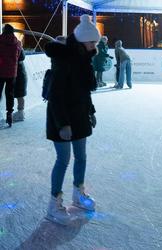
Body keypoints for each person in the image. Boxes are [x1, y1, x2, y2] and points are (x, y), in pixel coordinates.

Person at [44, 14, 100, 225]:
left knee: (81, 157)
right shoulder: (64, 60)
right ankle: (54, 205)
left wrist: (91, 112)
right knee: (63, 160)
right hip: (62, 117)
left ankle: (78, 193)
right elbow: (56, 96)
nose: (94, 45)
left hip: (79, 115)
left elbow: (85, 91)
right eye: (92, 41)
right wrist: (63, 124)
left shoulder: (84, 60)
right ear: (82, 40)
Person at [0, 24, 22, 127]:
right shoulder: (17, 43)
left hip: (0, 71)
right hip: (12, 72)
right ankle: (9, 114)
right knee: (10, 94)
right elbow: (21, 57)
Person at [13, 48, 27, 122]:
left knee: (18, 94)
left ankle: (20, 113)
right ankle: (20, 112)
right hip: (20, 72)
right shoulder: (18, 45)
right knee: (20, 94)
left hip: (14, 72)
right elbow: (22, 57)